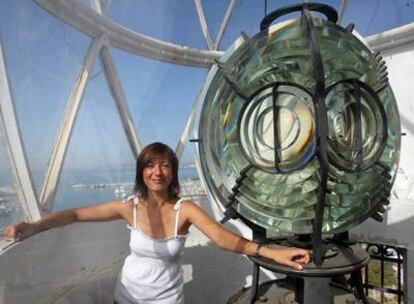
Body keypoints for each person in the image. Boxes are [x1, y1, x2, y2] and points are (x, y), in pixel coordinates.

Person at [5, 142, 310, 304]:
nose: (157, 171)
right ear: (141, 172)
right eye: (150, 165)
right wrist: (33, 226)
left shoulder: (184, 210)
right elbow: (75, 214)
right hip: (125, 298)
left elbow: (226, 240)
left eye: (165, 165)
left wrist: (274, 252)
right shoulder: (129, 209)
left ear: (173, 173)